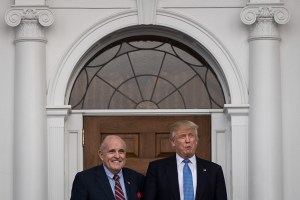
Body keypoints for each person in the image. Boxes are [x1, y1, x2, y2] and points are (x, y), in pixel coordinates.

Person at [143, 120, 227, 200]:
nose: (188, 140)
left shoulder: (214, 170)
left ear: (196, 140)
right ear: (173, 142)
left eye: (191, 135)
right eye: (182, 136)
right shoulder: (157, 169)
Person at [70, 135, 144, 200]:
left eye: (121, 151)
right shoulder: (84, 179)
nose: (117, 156)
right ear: (101, 155)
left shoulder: (137, 178)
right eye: (112, 151)